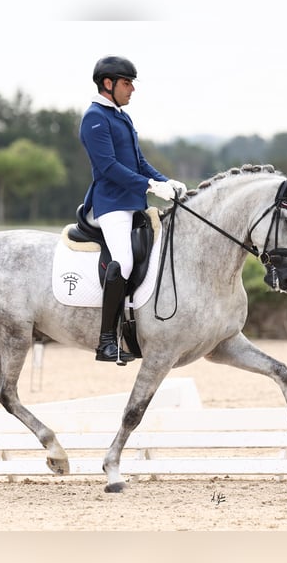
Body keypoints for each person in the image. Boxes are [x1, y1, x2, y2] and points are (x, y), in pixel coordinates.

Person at [80, 55, 187, 365]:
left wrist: (167, 181)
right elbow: (109, 167)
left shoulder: (122, 117)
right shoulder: (95, 118)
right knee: (123, 262)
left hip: (133, 202)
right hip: (112, 203)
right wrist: (150, 187)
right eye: (127, 83)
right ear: (108, 83)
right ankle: (106, 340)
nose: (132, 90)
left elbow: (138, 162)